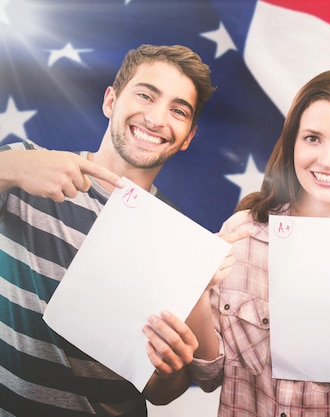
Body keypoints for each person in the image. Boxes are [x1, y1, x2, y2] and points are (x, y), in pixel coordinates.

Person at [143, 69, 330, 415]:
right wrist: (200, 291)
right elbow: (208, 375)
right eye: (312, 138)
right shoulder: (241, 235)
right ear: (293, 141)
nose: (327, 160)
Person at [0, 44, 219, 416]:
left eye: (177, 110)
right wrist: (10, 165)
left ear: (187, 138)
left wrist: (170, 369)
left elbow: (162, 393)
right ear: (110, 101)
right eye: (145, 95)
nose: (155, 118)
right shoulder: (24, 167)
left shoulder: (182, 244)